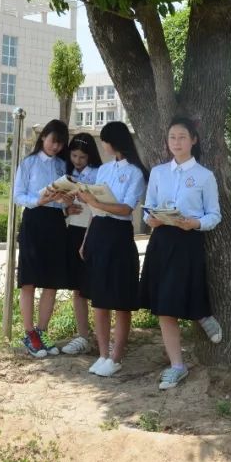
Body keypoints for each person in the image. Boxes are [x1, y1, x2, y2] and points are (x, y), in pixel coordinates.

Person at [140, 116, 224, 390]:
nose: (176, 142)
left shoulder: (204, 176)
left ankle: (203, 315)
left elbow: (214, 215)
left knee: (186, 288)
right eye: (172, 137)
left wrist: (195, 223)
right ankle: (177, 366)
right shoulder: (158, 172)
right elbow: (148, 206)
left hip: (188, 240)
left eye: (182, 137)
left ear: (193, 140)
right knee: (165, 305)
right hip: (162, 239)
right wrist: (150, 218)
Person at [75, 122, 148, 377]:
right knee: (99, 299)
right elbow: (94, 211)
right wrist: (85, 240)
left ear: (113, 142)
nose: (103, 147)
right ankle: (103, 354)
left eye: (105, 141)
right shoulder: (103, 170)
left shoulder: (135, 173)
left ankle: (116, 357)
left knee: (119, 299)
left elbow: (127, 208)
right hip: (98, 233)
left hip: (118, 235)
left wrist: (95, 202)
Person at [12, 119, 70, 358]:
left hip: (56, 223)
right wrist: (39, 200)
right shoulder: (29, 163)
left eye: (60, 143)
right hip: (34, 221)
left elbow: (66, 197)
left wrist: (66, 202)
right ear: (43, 137)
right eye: (53, 141)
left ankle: (42, 331)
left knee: (51, 281)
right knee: (29, 280)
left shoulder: (62, 165)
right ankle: (29, 333)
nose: (55, 147)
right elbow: (18, 196)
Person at [59, 133, 102, 356]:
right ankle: (83, 335)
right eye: (74, 155)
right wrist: (66, 206)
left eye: (82, 157)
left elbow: (99, 208)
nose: (77, 160)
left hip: (92, 232)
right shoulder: (68, 174)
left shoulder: (97, 174)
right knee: (77, 288)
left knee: (96, 288)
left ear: (90, 156)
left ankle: (104, 338)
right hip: (72, 230)